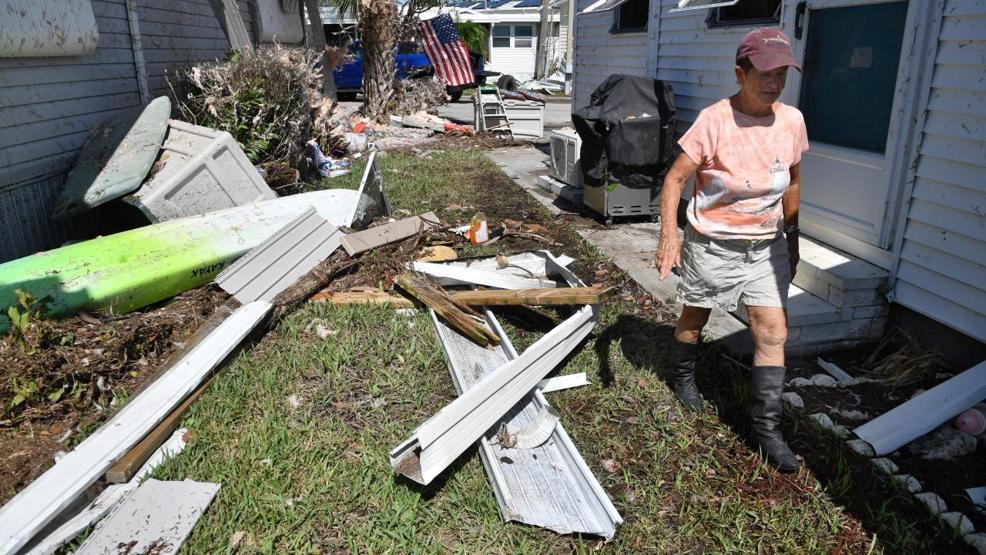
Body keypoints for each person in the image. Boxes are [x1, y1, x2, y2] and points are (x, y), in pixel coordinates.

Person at [655, 28, 808, 473]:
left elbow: (794, 179)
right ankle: (683, 377)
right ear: (740, 73)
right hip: (713, 243)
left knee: (773, 331)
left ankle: (766, 430)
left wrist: (793, 236)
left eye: (781, 73)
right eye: (763, 73)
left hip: (765, 246)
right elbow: (673, 179)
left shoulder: (792, 121)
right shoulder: (715, 120)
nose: (773, 82)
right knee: (695, 316)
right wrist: (670, 235)